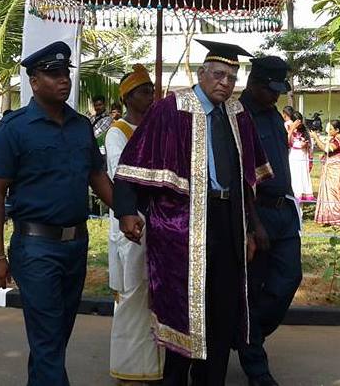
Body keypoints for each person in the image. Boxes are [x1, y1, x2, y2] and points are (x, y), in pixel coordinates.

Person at [113, 40, 272, 386]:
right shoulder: (171, 109)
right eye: (219, 74)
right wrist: (126, 211)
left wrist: (250, 227)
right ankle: (173, 380)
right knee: (183, 309)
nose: (225, 83)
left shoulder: (237, 113)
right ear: (201, 74)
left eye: (232, 77)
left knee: (222, 308)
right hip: (181, 228)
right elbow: (131, 164)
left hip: (228, 220)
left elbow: (247, 178)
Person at [0, 41, 113, 386]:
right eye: (53, 74)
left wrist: (130, 213)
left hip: (77, 244)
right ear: (34, 81)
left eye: (65, 73)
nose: (63, 80)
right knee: (48, 338)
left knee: (54, 339)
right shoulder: (14, 128)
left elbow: (97, 176)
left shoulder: (81, 125)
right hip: (35, 247)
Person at [238, 56, 303, 386]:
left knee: (289, 279)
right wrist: (253, 225)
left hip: (284, 211)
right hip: (256, 212)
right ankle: (256, 368)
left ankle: (243, 334)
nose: (276, 96)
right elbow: (239, 175)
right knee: (251, 289)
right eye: (271, 89)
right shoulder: (238, 116)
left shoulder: (274, 115)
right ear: (254, 83)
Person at [105, 65, 162, 384]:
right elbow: (121, 175)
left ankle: (154, 365)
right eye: (143, 92)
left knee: (155, 293)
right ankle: (128, 367)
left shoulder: (157, 127)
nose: (150, 96)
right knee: (132, 294)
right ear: (127, 98)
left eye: (152, 90)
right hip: (132, 220)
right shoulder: (118, 132)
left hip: (160, 219)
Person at [310, 120, 340, 226]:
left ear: (337, 130)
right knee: (331, 194)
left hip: (336, 171)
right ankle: (330, 217)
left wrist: (316, 137)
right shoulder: (337, 137)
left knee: (334, 194)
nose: (328, 131)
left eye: (331, 129)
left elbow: (327, 149)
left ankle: (338, 218)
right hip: (332, 170)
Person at [287, 111, 314, 203]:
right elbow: (287, 142)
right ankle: (295, 199)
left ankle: (302, 200)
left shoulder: (305, 131)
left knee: (302, 177)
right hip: (293, 158)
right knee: (294, 177)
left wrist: (306, 145)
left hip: (302, 158)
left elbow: (310, 144)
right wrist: (292, 129)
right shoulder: (289, 130)